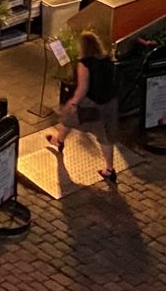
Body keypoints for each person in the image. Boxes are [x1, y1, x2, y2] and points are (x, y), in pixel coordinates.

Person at [46, 33, 119, 183]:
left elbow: (83, 88)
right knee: (105, 136)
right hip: (110, 103)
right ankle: (109, 169)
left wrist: (73, 103)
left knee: (70, 119)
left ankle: (59, 141)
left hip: (92, 104)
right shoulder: (108, 60)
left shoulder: (85, 63)